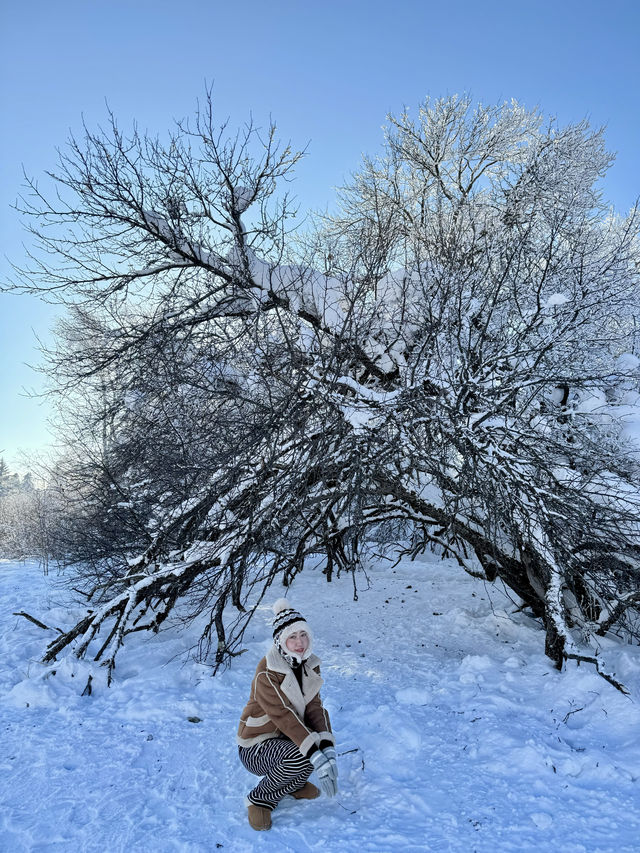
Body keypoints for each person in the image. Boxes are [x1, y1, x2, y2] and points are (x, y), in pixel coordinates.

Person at [237, 598, 338, 831]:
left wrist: (328, 751)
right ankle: (260, 799)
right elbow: (284, 715)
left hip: (286, 739)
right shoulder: (267, 671)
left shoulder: (309, 664)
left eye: (303, 634)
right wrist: (315, 753)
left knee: (317, 742)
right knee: (305, 752)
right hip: (256, 747)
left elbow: (314, 707)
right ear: (281, 641)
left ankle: (293, 783)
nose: (300, 642)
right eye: (292, 637)